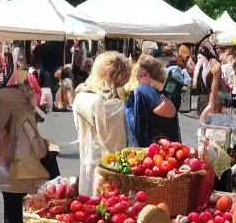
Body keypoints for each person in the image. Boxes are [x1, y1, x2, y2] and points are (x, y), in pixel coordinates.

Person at [0, 53, 49, 223]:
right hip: (29, 157)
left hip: (10, 159)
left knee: (12, 212)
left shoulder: (2, 96)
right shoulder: (28, 93)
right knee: (22, 211)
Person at [73, 52, 131, 196]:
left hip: (86, 158)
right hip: (106, 166)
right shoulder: (111, 103)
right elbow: (115, 142)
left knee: (87, 202)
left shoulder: (82, 95)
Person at [126, 55, 178, 146]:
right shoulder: (161, 94)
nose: (141, 78)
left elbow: (139, 129)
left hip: (153, 150)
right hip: (168, 148)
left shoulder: (142, 90)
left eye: (145, 75)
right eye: (140, 75)